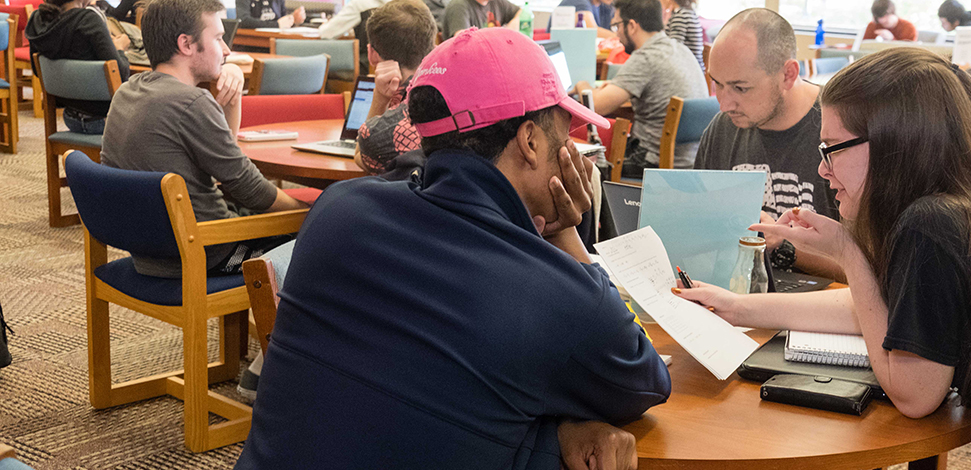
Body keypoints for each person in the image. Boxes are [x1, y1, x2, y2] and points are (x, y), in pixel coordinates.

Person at [235, 27, 671, 469]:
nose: (571, 155)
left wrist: (550, 436)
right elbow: (644, 378)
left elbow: (411, 405)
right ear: (531, 142)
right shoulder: (552, 292)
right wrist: (565, 234)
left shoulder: (338, 213)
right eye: (564, 140)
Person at [674, 47, 971, 470]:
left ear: (896, 145)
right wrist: (737, 307)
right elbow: (886, 310)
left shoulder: (928, 223)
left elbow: (915, 395)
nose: (821, 168)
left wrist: (850, 253)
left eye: (831, 149)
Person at [101, 0, 307, 278]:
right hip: (207, 251)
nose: (227, 50)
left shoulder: (128, 90)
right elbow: (251, 190)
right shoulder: (190, 102)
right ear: (186, 44)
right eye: (219, 38)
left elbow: (224, 160)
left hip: (149, 249)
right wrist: (308, 213)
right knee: (328, 238)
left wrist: (232, 95)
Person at [693, 8, 839, 280]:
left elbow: (873, 268)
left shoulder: (839, 132)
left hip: (824, 304)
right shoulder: (722, 129)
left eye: (740, 88)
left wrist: (782, 246)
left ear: (788, 75)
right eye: (717, 84)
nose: (724, 103)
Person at [573, 0, 707, 178]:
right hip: (690, 162)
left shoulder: (646, 56)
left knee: (582, 164)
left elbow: (596, 106)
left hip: (652, 165)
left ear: (632, 25)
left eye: (616, 26)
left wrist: (580, 84)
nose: (617, 35)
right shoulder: (679, 49)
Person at [353, 0, 435, 177]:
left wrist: (379, 98)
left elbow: (361, 156)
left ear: (372, 54)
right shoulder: (455, 95)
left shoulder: (384, 132)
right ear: (431, 46)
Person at [27, 0, 131, 135]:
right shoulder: (88, 20)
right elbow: (121, 74)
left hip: (70, 116)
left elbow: (38, 71)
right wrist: (120, 49)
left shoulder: (37, 22)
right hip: (105, 121)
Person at [441, 0, 518, 40]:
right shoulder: (458, 6)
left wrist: (510, 28)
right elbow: (462, 41)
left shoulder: (497, 2)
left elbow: (522, 12)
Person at [661, 0, 702, 70]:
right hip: (688, 67)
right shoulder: (685, 12)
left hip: (688, 70)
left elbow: (673, 50)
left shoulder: (680, 16)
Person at [316, 0, 387, 39]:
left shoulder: (360, 3)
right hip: (395, 64)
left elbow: (326, 32)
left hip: (366, 63)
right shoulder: (396, 4)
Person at [235, 0, 305, 29]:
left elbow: (283, 20)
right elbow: (243, 20)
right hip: (252, 42)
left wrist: (293, 20)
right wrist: (276, 25)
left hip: (276, 40)